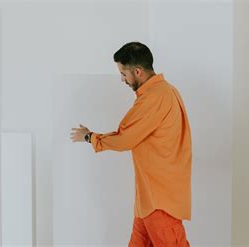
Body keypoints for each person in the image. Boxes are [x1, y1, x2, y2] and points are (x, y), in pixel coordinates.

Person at [70, 41, 192, 247]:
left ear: (138, 71)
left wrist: (91, 137)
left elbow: (125, 138)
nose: (122, 79)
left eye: (124, 74)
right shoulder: (167, 91)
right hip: (149, 199)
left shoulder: (154, 97)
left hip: (159, 200)